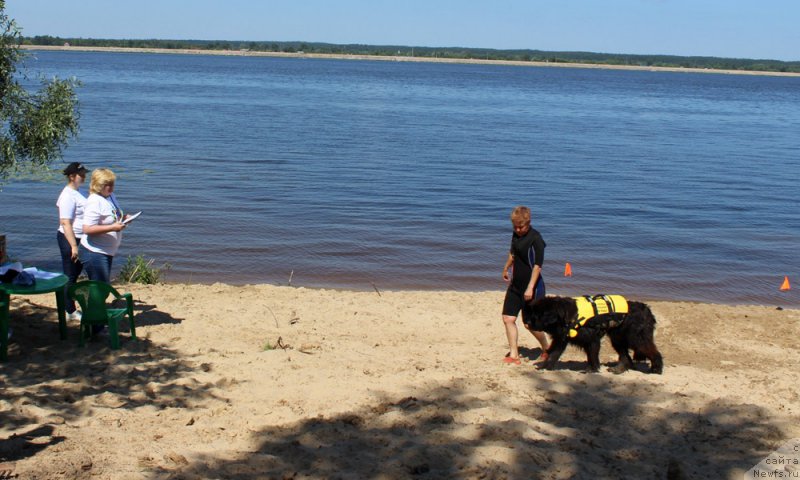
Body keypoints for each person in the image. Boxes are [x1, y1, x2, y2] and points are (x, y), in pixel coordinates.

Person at [501, 206, 550, 365]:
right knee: (508, 318)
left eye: (520, 226)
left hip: (533, 288)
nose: (517, 229)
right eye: (515, 226)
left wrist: (530, 288)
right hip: (516, 285)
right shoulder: (515, 234)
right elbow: (513, 253)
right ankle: (514, 354)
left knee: (530, 324)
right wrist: (506, 267)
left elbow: (537, 266)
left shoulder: (536, 239)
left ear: (528, 223)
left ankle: (546, 348)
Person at [79, 168, 127, 284]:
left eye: (112, 184)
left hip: (107, 250)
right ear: (98, 185)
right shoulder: (94, 201)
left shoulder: (110, 196)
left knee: (102, 287)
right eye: (106, 185)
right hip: (94, 251)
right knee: (100, 287)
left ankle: (95, 302)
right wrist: (113, 228)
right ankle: (91, 302)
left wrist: (124, 219)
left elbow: (112, 216)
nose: (110, 187)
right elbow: (87, 229)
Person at [56, 162, 88, 320]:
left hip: (81, 237)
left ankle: (69, 305)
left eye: (84, 174)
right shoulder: (67, 195)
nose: (84, 177)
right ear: (71, 176)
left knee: (75, 274)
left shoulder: (79, 192)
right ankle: (69, 310)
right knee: (69, 275)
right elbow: (65, 222)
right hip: (69, 238)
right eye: (81, 175)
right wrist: (74, 246)